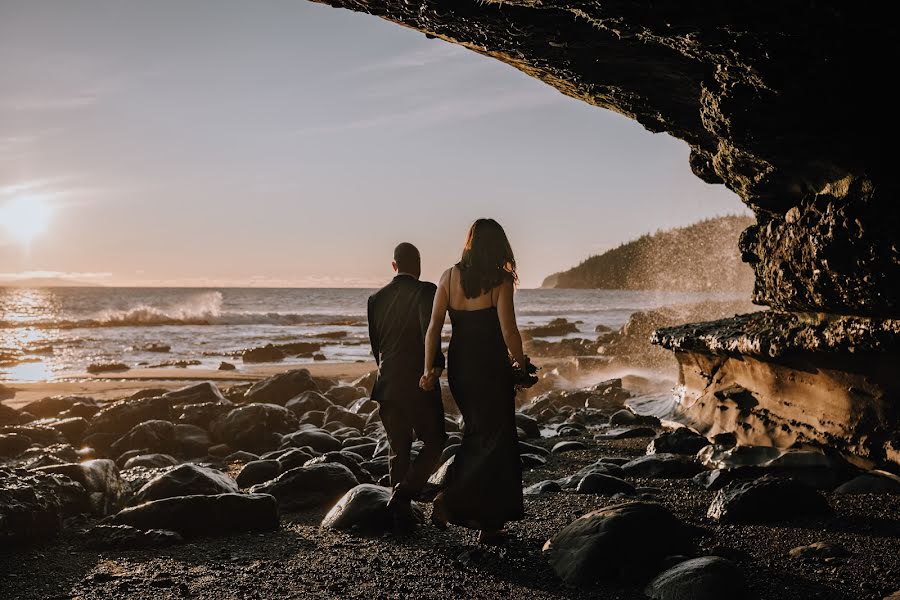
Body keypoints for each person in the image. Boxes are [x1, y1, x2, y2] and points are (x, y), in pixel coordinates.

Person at [420, 218, 529, 545]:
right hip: (490, 368)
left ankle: (489, 523)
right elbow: (509, 330)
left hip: (461, 368)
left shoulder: (449, 277)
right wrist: (520, 366)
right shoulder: (500, 280)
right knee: (497, 440)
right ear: (498, 245)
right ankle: (451, 503)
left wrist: (429, 369)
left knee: (477, 434)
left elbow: (434, 327)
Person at [367, 242, 447, 521]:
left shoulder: (375, 299)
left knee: (398, 448)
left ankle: (398, 515)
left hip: (387, 383)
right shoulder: (427, 291)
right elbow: (430, 331)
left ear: (394, 266)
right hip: (419, 381)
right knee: (436, 440)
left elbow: (376, 345)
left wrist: (385, 373)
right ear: (419, 264)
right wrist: (435, 366)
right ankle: (404, 494)